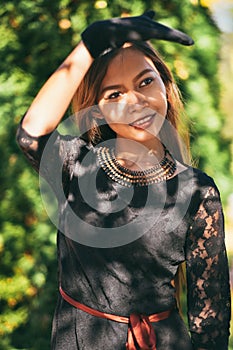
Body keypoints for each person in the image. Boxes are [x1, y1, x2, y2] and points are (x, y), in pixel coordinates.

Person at [16, 10, 231, 350]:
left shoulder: (197, 190)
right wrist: (91, 43)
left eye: (146, 81)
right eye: (114, 94)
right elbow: (31, 135)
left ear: (165, 84)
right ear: (98, 110)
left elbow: (211, 319)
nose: (135, 102)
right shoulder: (77, 165)